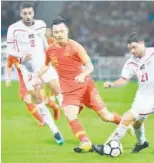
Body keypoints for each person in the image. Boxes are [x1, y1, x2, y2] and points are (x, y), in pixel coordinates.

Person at [37, 17, 126, 153]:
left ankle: (127, 124)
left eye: (61, 31)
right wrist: (36, 77)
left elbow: (90, 66)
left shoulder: (75, 47)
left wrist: (83, 74)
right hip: (68, 89)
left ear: (66, 30)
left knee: (105, 116)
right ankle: (85, 142)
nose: (59, 34)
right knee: (69, 114)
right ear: (53, 34)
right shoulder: (50, 50)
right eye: (56, 32)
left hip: (85, 86)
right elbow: (45, 66)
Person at [6, 2, 63, 144]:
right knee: (39, 101)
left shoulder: (41, 24)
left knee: (57, 90)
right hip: (28, 70)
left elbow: (43, 41)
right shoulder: (13, 29)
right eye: (24, 13)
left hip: (44, 65)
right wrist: (21, 57)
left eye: (30, 13)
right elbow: (10, 50)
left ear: (33, 13)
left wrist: (50, 54)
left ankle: (68, 114)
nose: (27, 16)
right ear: (21, 14)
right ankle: (55, 130)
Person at [6, 55, 61, 121]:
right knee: (27, 99)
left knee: (42, 100)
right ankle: (42, 121)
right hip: (23, 80)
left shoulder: (28, 51)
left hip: (35, 77)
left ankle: (55, 107)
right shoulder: (11, 55)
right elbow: (8, 66)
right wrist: (8, 79)